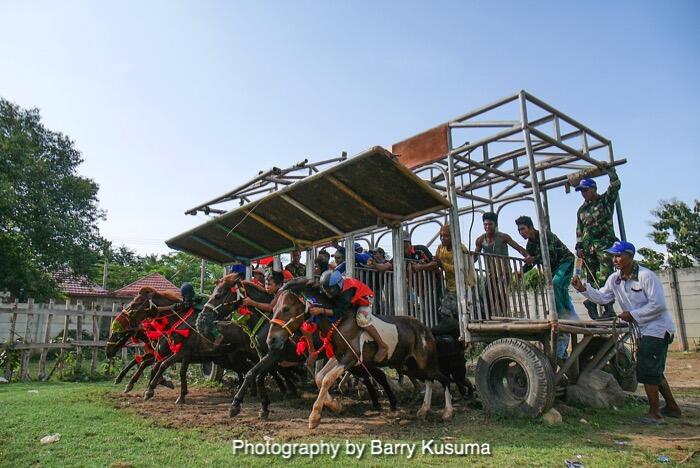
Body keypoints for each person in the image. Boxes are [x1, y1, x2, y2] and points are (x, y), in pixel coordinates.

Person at [572, 241, 680, 423]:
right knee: (652, 370)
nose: (615, 259)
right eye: (614, 256)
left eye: (619, 255)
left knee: (647, 369)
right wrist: (584, 289)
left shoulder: (646, 276)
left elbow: (658, 305)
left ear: (630, 256)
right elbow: (603, 297)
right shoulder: (615, 279)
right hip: (641, 330)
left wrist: (633, 314)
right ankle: (671, 407)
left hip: (657, 329)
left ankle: (655, 414)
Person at [515, 216, 578, 359]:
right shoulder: (530, 245)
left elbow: (550, 255)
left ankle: (563, 313)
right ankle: (569, 313)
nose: (521, 233)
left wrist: (534, 259)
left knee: (556, 284)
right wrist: (522, 272)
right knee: (557, 289)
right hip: (554, 267)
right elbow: (530, 263)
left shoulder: (545, 235)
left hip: (565, 261)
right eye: (519, 230)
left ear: (530, 227)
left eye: (522, 229)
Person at [311, 270, 389, 363]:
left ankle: (382, 346)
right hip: (350, 301)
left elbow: (339, 312)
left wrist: (321, 310)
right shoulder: (336, 287)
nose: (327, 292)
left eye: (330, 289)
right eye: (326, 289)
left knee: (361, 319)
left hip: (365, 299)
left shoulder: (346, 293)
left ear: (338, 285)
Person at [574, 168, 621, 319]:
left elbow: (615, 186)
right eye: (581, 191)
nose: (583, 193)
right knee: (591, 277)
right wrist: (579, 245)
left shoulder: (605, 201)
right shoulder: (581, 209)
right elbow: (579, 229)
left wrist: (610, 172)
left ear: (594, 189)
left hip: (604, 246)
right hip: (588, 249)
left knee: (605, 276)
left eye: (586, 190)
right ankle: (592, 303)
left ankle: (608, 307)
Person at [416, 224, 475, 336]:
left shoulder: (460, 249)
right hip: (450, 286)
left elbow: (462, 269)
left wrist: (442, 264)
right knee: (446, 310)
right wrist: (426, 264)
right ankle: (456, 331)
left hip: (464, 285)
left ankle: (457, 330)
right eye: (441, 236)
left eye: (446, 236)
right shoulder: (440, 248)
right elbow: (436, 261)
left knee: (445, 311)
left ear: (452, 237)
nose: (443, 238)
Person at [474, 212, 530, 316]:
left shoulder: (503, 237)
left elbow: (518, 248)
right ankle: (488, 318)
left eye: (490, 224)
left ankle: (504, 317)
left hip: (504, 273)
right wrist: (465, 259)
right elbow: (475, 257)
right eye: (485, 224)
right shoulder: (480, 240)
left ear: (495, 225)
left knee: (500, 294)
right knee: (486, 296)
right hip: (491, 274)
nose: (487, 227)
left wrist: (527, 256)